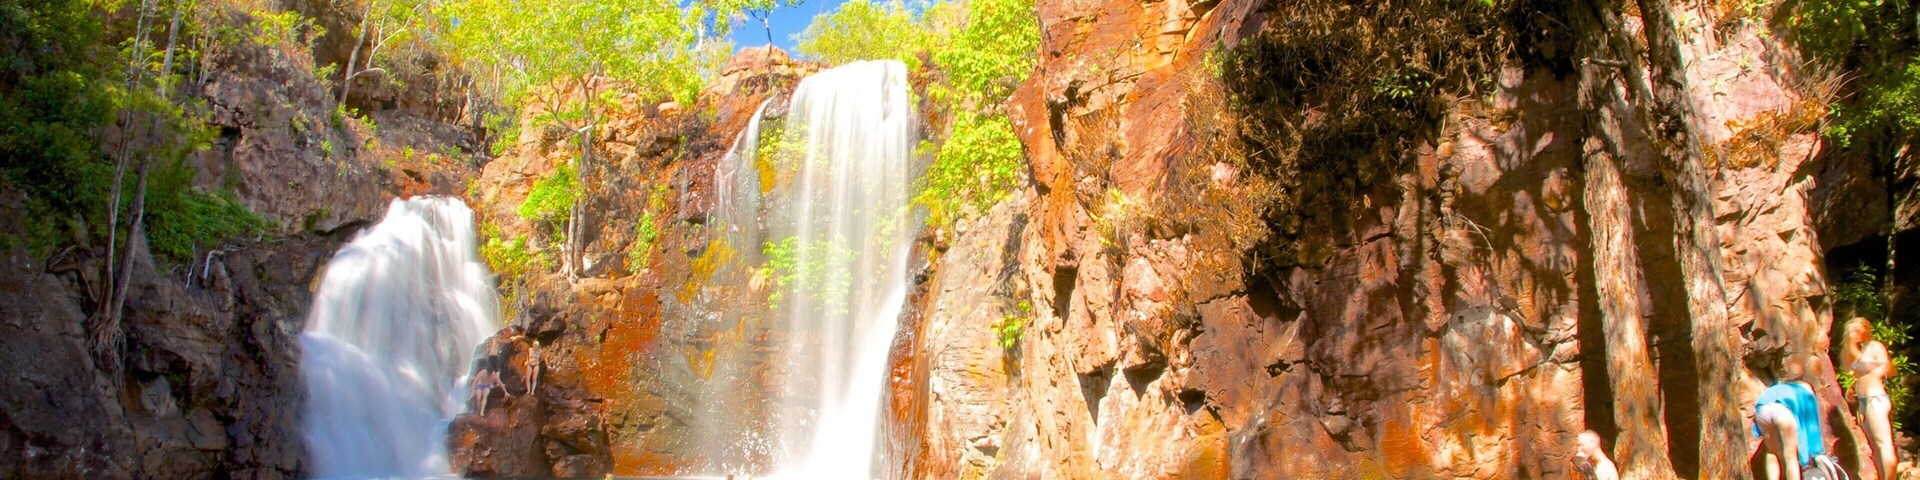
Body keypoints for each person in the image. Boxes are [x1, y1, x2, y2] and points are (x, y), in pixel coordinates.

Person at [1755, 354, 1826, 480]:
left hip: (1762, 409)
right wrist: (1814, 452)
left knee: (1772, 452)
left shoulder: (1780, 387)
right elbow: (1811, 424)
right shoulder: (1806, 390)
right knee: (1790, 456)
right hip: (1781, 410)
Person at [1844, 317, 1899, 479]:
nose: (1852, 334)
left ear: (1865, 330)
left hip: (1876, 398)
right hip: (1863, 400)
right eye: (1850, 331)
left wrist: (1853, 347)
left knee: (1884, 443)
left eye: (1855, 330)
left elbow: (1886, 368)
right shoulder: (1863, 349)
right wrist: (1854, 387)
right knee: (1872, 446)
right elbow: (1857, 370)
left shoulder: (1875, 346)